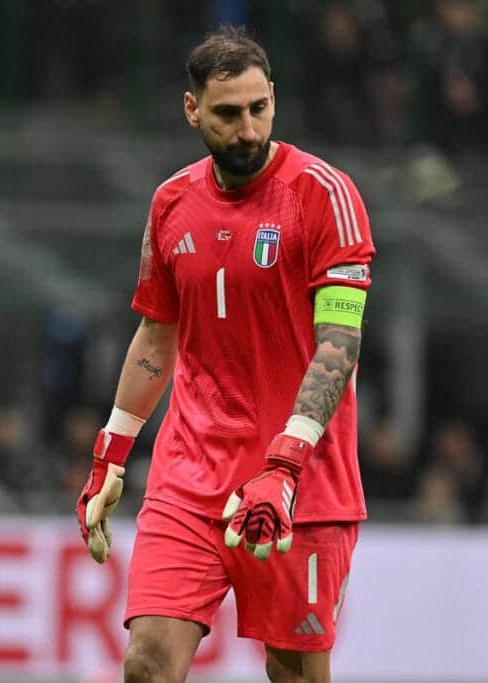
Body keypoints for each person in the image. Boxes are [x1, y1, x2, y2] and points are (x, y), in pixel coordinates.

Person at [76, 26, 375, 683]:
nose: (247, 130)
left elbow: (340, 343)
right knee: (147, 663)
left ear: (274, 99)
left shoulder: (324, 195)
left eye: (258, 109)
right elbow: (157, 335)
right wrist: (111, 452)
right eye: (228, 114)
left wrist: (284, 464)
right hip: (189, 478)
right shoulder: (171, 203)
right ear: (192, 110)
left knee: (293, 673)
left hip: (303, 485)